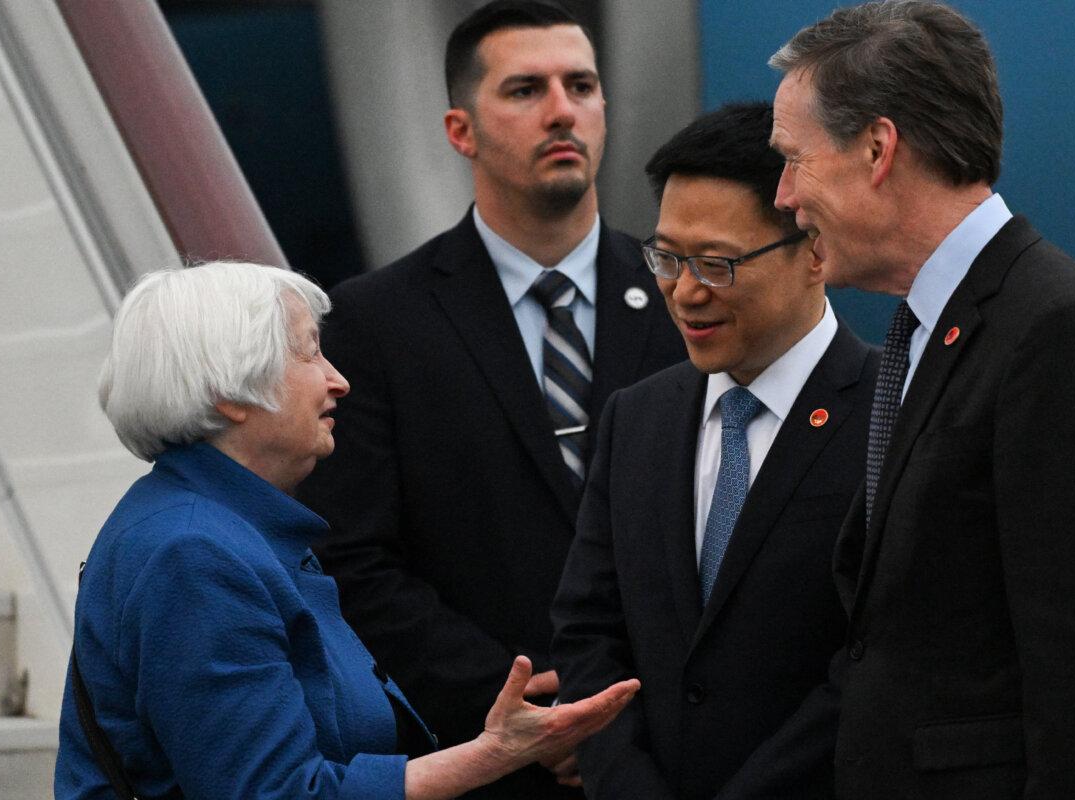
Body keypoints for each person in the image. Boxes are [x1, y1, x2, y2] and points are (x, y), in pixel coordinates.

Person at [53, 262, 640, 800]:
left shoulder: (214, 529)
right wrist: (494, 754)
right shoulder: (193, 553)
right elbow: (277, 795)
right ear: (229, 391)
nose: (339, 381)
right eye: (309, 354)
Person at [296, 2, 685, 796]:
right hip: (488, 757)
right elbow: (354, 559)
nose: (561, 110)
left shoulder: (689, 303)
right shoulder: (375, 322)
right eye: (524, 90)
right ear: (459, 130)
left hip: (673, 749)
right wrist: (517, 713)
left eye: (581, 84)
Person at [767, 2, 1075, 798]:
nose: (782, 196)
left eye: (793, 160)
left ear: (877, 148)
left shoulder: (1054, 326)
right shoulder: (922, 330)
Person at [550, 103, 879, 799]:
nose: (685, 292)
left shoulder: (895, 416)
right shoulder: (636, 418)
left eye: (718, 264)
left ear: (815, 249)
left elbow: (880, 658)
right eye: (667, 257)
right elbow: (589, 630)